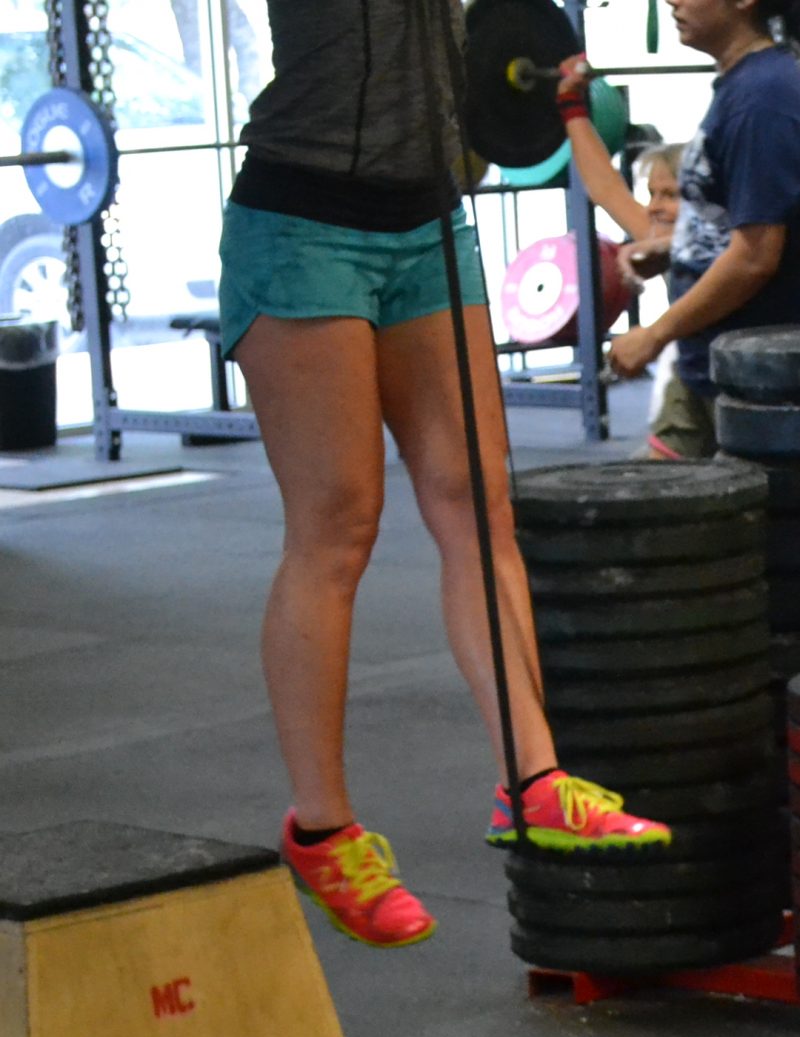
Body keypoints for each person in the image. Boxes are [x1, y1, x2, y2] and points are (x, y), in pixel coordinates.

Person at [219, 0, 669, 950]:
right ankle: (321, 829)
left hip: (428, 218)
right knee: (339, 522)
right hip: (302, 218)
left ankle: (534, 779)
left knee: (478, 500)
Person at [555, 0, 800, 460]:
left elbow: (755, 257)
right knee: (653, 499)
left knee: (743, 504)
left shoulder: (764, 98)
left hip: (767, 383)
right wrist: (572, 108)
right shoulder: (740, 89)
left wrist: (655, 335)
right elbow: (620, 197)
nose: (672, 0)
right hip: (709, 371)